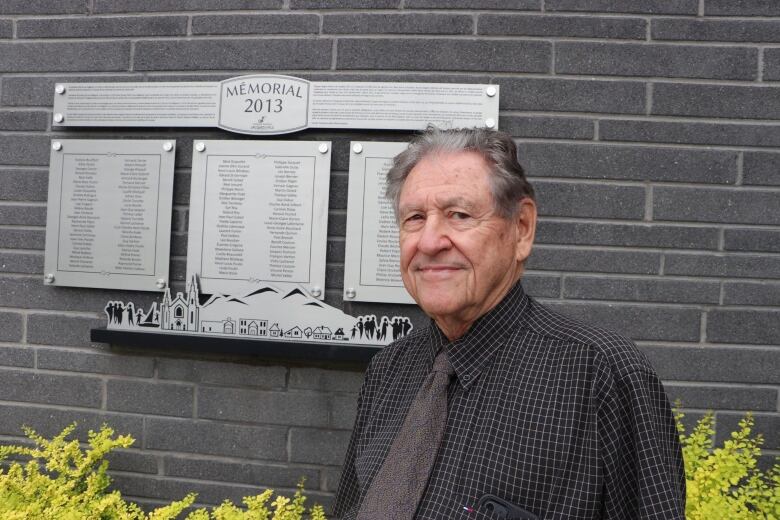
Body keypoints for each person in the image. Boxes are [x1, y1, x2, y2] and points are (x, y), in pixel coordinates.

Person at [333, 127, 685, 519]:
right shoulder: (388, 371)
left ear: (522, 229)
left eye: (459, 215)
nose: (430, 241)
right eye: (414, 218)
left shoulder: (601, 376)